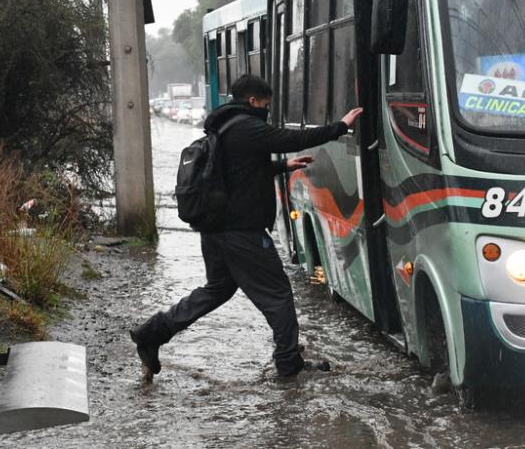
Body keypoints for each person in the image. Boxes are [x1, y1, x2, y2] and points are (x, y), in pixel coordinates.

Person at [130, 74, 363, 382]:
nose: (266, 111)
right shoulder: (246, 126)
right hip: (241, 233)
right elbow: (291, 139)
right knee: (279, 295)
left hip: (217, 230)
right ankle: (288, 364)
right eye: (265, 105)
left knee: (217, 290)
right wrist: (341, 127)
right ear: (252, 101)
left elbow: (237, 171)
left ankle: (151, 334)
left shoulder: (225, 126)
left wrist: (282, 166)